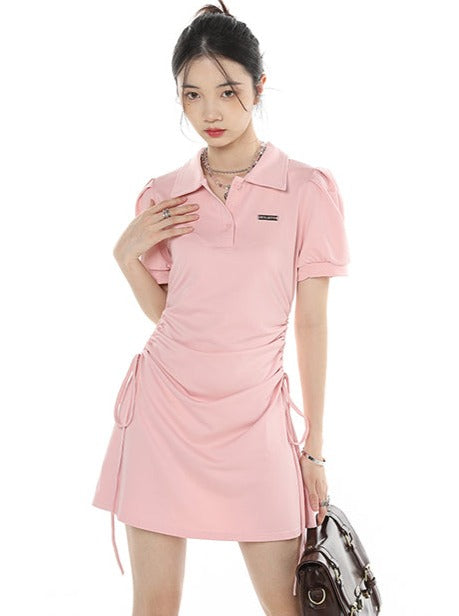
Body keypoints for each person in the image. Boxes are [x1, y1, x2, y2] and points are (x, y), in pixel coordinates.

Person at [91, 2, 351, 614]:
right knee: (155, 605)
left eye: (227, 91)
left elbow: (312, 323)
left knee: (289, 605)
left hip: (256, 417)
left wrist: (314, 446)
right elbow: (173, 315)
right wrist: (126, 254)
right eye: (192, 95)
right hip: (163, 413)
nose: (209, 112)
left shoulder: (306, 190)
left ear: (259, 86)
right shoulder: (164, 195)